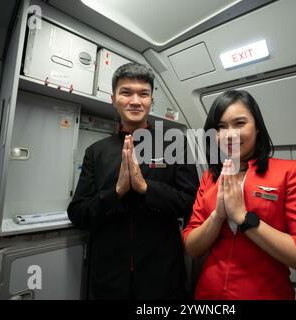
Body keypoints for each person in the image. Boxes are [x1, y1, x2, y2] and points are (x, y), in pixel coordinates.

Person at [68, 62, 199, 299]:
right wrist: (116, 192)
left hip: (162, 275)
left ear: (151, 101)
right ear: (113, 98)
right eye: (126, 92)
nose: (135, 100)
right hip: (109, 277)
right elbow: (79, 213)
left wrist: (146, 188)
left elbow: (192, 203)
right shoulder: (96, 152)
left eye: (143, 94)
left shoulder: (174, 144)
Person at [182, 90, 296, 300]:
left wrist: (243, 217)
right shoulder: (210, 177)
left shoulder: (289, 172)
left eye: (239, 123)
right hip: (208, 294)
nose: (229, 134)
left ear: (257, 127)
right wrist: (217, 216)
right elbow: (191, 247)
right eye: (221, 127)